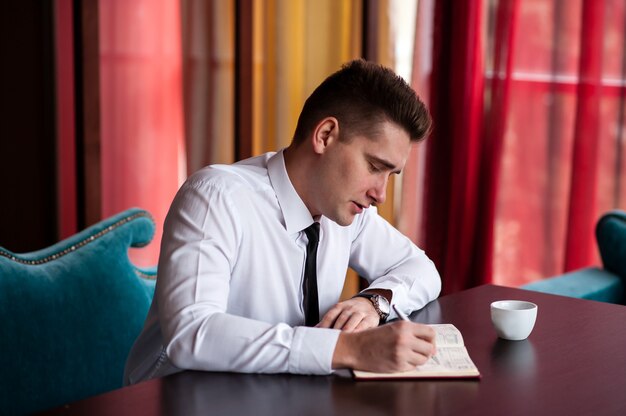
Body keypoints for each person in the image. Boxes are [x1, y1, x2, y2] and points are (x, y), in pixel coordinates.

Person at [124, 59, 441, 384]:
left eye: (391, 175)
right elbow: (192, 333)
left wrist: (373, 302)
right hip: (179, 398)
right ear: (326, 135)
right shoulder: (215, 198)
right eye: (375, 166)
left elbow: (421, 269)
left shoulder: (345, 211)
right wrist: (346, 348)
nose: (381, 195)